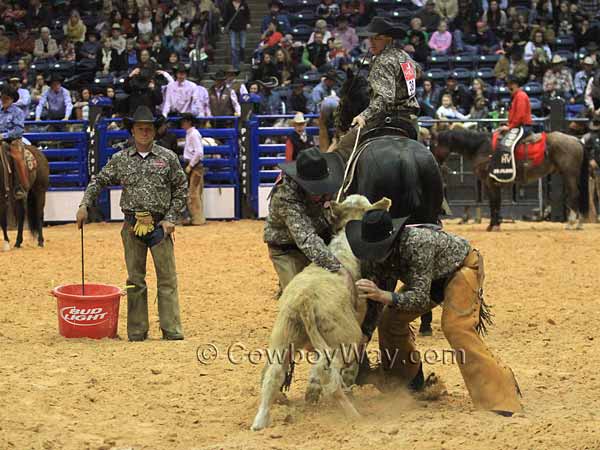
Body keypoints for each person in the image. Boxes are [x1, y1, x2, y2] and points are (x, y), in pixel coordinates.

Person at [346, 209, 523, 415]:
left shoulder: (418, 244)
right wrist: (365, 333)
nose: (373, 256)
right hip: (430, 278)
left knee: (456, 327)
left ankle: (500, 397)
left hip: (461, 268)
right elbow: (375, 298)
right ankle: (407, 382)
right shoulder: (372, 256)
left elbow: (418, 297)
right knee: (389, 320)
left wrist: (385, 295)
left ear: (392, 241)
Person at [75, 106, 188, 342]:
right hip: (131, 225)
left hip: (160, 227)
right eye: (140, 128)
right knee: (134, 279)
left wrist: (170, 219)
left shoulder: (168, 158)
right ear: (132, 131)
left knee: (167, 278)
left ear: (155, 131)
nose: (144, 132)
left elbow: (181, 188)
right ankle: (137, 330)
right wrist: (84, 204)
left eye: (149, 128)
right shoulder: (120, 159)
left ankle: (171, 328)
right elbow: (99, 180)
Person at [264, 147, 349, 291]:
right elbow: (306, 239)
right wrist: (338, 268)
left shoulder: (329, 180)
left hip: (321, 234)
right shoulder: (285, 196)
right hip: (287, 248)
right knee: (297, 294)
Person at [350, 17, 420, 138]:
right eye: (370, 38)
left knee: (345, 144)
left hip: (388, 119)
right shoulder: (403, 55)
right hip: (411, 120)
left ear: (389, 39)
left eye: (377, 38)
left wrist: (364, 115)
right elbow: (418, 71)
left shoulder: (383, 60)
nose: (372, 42)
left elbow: (384, 98)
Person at [0, 85, 28, 199]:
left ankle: (18, 186)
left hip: (12, 141)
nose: (3, 100)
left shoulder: (18, 112)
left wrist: (4, 135)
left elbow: (18, 130)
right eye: (2, 98)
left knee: (17, 158)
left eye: (6, 98)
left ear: (12, 99)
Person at [179, 113, 205, 226]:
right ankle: (197, 218)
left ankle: (197, 219)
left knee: (193, 193)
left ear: (189, 122)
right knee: (195, 192)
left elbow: (199, 152)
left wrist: (190, 165)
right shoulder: (191, 134)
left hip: (194, 166)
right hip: (195, 165)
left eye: (184, 121)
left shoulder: (193, 134)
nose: (182, 123)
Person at [498, 75, 532, 139]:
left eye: (510, 84)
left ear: (515, 85)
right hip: (517, 126)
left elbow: (519, 116)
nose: (508, 87)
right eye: (508, 84)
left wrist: (509, 127)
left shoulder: (520, 96)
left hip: (522, 128)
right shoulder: (515, 96)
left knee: (506, 145)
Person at [222, 0, 251, 71]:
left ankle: (241, 59)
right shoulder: (228, 4)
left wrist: (248, 23)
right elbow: (226, 15)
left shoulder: (244, 4)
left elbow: (247, 14)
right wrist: (223, 25)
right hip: (232, 28)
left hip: (242, 26)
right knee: (233, 47)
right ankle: (235, 65)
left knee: (242, 46)